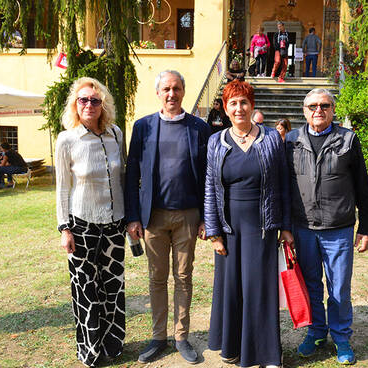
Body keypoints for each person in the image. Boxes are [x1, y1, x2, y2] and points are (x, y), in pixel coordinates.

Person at [124, 70, 211, 364]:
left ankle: (181, 336)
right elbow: (132, 173)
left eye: (176, 88)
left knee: (184, 278)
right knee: (156, 278)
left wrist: (205, 217)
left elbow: (208, 177)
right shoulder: (144, 127)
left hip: (188, 216)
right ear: (158, 93)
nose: (171, 94)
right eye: (166, 89)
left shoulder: (199, 128)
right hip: (153, 218)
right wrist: (133, 216)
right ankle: (158, 336)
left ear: (183, 92)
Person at [204, 80, 293, 368]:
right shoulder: (215, 141)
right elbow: (210, 187)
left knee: (259, 287)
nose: (239, 108)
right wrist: (214, 232)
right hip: (229, 227)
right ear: (226, 109)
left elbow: (283, 184)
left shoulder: (270, 139)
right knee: (231, 286)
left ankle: (267, 353)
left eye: (244, 102)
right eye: (233, 103)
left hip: (262, 224)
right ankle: (231, 346)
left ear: (252, 106)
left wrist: (286, 225)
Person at [285, 88, 368, 365]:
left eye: (325, 106)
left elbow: (362, 185)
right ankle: (316, 331)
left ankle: (341, 337)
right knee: (311, 284)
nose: (318, 111)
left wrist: (366, 226)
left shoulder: (347, 140)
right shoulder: (291, 141)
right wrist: (285, 227)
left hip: (339, 228)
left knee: (339, 288)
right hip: (303, 228)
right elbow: (285, 188)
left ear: (333, 110)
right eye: (312, 106)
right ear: (304, 110)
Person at [55, 77, 126, 367]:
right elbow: (62, 187)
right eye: (83, 100)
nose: (89, 105)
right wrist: (64, 228)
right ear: (75, 104)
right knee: (85, 289)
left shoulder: (116, 134)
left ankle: (113, 345)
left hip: (115, 224)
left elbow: (123, 176)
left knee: (112, 287)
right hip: (82, 225)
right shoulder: (67, 139)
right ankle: (90, 350)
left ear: (103, 105)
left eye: (95, 100)